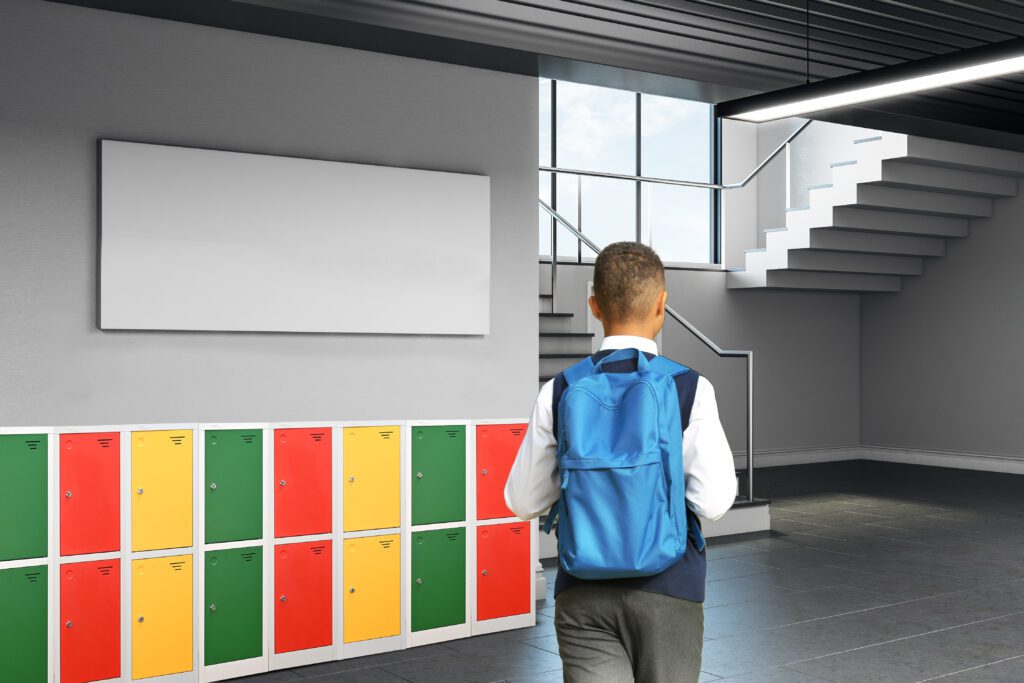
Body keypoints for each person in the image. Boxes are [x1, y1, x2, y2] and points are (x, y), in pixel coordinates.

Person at [504, 241, 737, 683]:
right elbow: (714, 502)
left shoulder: (559, 389)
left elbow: (521, 500)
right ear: (662, 304)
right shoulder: (689, 388)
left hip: (583, 589)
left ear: (593, 306)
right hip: (669, 589)